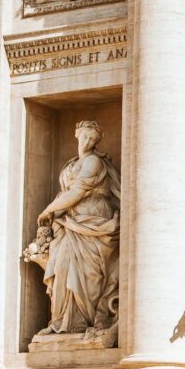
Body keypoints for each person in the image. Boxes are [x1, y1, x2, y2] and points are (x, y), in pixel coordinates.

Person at [36, 120, 120, 335]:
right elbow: (67, 193)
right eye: (85, 137)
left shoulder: (94, 162)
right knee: (62, 266)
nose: (88, 142)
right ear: (77, 134)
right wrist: (57, 212)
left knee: (89, 273)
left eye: (93, 139)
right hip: (69, 222)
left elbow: (76, 192)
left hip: (92, 218)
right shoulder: (71, 163)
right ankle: (61, 321)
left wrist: (48, 210)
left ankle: (83, 321)